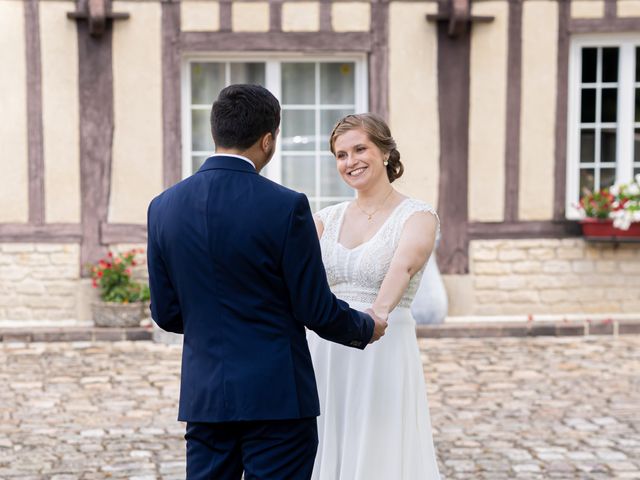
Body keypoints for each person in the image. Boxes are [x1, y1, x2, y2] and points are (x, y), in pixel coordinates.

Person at [146, 86, 387, 480]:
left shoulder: (163, 207)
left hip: (206, 399)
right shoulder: (285, 205)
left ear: (215, 134)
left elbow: (167, 314)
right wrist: (365, 326)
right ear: (268, 139)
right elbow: (314, 307)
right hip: (278, 398)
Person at [308, 113, 442, 479]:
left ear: (384, 151)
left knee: (378, 440)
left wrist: (372, 321)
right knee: (326, 435)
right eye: (341, 155)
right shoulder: (324, 219)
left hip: (381, 342)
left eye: (359, 149)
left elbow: (403, 267)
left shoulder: (417, 216)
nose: (351, 161)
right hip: (325, 347)